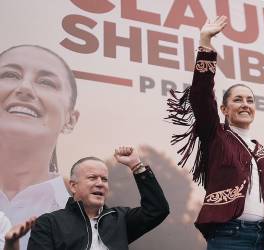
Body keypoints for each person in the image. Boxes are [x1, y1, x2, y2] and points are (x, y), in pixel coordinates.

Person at [167, 16, 264, 250]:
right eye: (237, 99)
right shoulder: (216, 137)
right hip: (229, 236)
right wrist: (205, 43)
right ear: (224, 109)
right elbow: (201, 96)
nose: (245, 104)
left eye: (250, 100)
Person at [0, 45, 79, 247]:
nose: (24, 88)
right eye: (10, 74)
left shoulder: (81, 215)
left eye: (46, 82)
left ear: (70, 120)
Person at [27, 146, 169, 249]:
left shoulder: (120, 219)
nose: (100, 184)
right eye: (92, 178)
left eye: (104, 179)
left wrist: (136, 166)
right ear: (73, 186)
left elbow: (157, 210)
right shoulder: (48, 223)